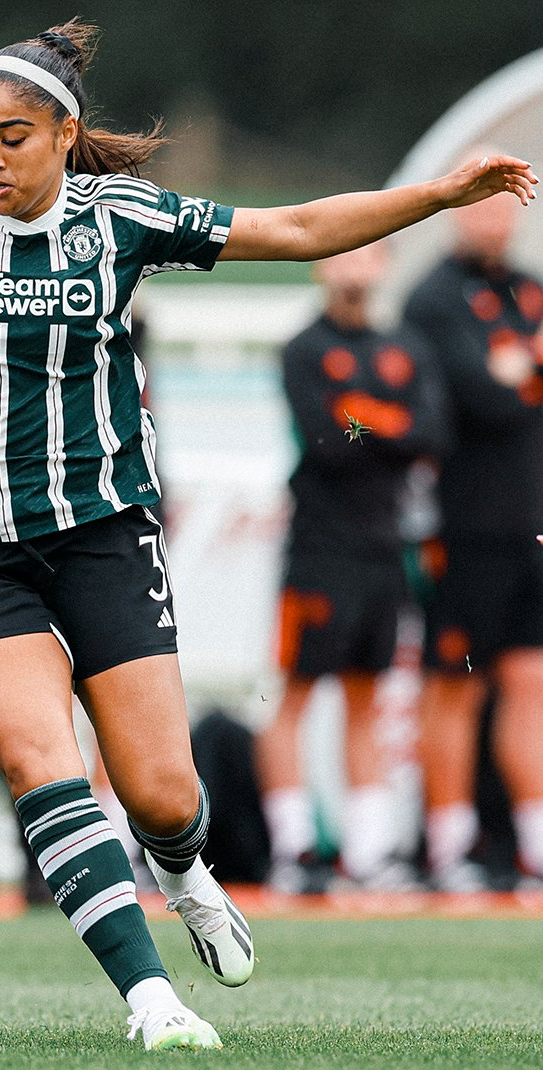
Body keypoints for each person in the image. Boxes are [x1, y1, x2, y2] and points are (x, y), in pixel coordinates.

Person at [0, 19, 535, 1051]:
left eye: (14, 138)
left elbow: (296, 229)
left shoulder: (120, 219)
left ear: (66, 135)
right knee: (43, 759)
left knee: (168, 797)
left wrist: (437, 198)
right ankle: (149, 998)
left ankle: (183, 868)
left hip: (102, 538)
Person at [255, 243, 445, 895]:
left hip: (384, 548)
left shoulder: (407, 347)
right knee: (296, 696)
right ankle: (295, 849)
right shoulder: (304, 347)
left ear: (386, 265)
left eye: (369, 257)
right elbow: (327, 440)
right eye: (345, 257)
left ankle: (368, 855)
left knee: (367, 697)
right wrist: (381, 427)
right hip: (319, 548)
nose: (355, 268)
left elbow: (430, 434)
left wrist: (365, 418)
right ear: (323, 265)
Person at [404, 187, 543, 892]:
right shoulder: (432, 298)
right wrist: (517, 375)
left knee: (530, 681)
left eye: (504, 207)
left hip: (530, 527)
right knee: (454, 685)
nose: (494, 219)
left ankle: (531, 844)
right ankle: (448, 845)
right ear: (461, 211)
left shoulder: (528, 290)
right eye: (482, 206)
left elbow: (512, 384)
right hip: (461, 528)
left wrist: (518, 371)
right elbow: (483, 397)